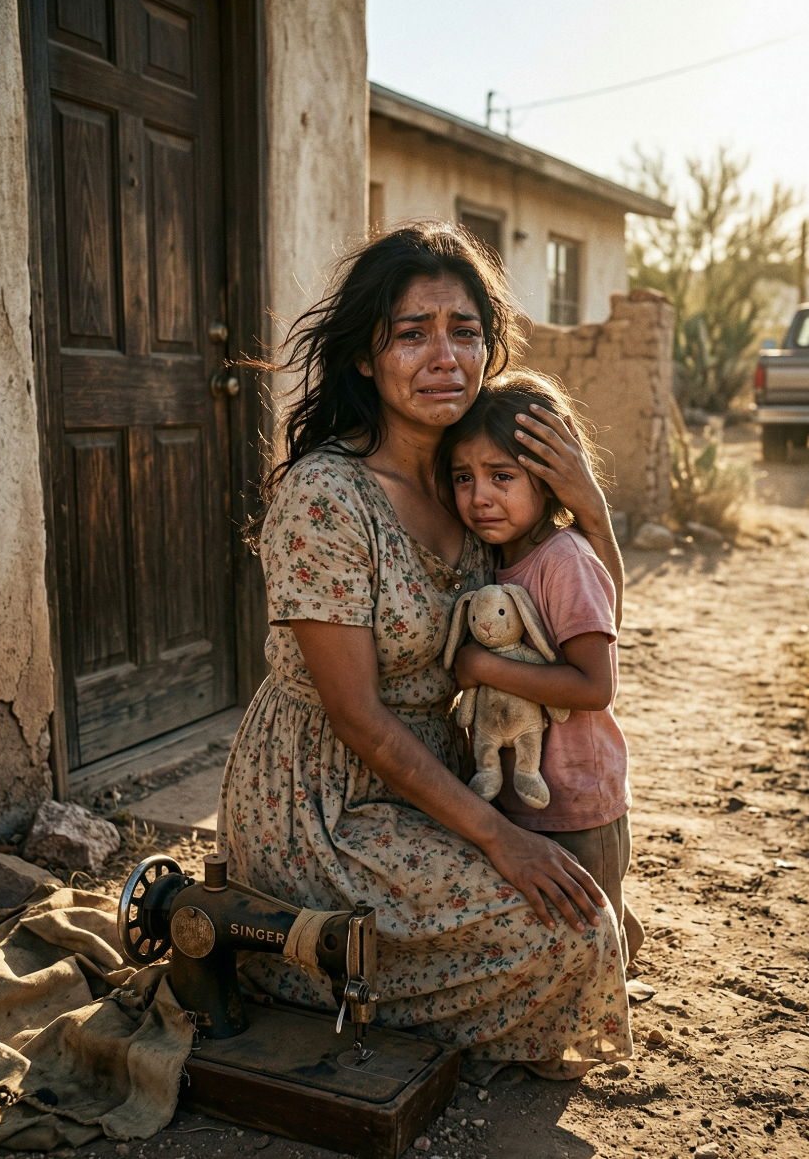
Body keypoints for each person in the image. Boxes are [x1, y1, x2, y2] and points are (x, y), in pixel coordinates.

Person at [218, 223, 631, 1077]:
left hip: (440, 776)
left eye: (465, 330)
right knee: (576, 934)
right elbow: (357, 715)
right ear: (367, 359)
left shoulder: (477, 475)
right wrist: (500, 840)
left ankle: (367, 970)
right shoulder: (327, 497)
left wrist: (589, 507)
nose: (444, 355)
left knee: (593, 922)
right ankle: (272, 950)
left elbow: (584, 621)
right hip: (322, 804)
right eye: (412, 334)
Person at [435, 370, 645, 966]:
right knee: (560, 919)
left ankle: (615, 951)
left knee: (581, 936)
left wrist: (478, 666)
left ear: (550, 482)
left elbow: (595, 685)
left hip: (578, 799)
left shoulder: (564, 559)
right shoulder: (492, 561)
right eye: (464, 478)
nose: (480, 497)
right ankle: (620, 928)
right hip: (519, 797)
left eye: (503, 476)